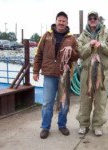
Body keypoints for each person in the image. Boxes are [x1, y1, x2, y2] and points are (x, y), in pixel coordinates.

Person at [33, 11, 79, 139]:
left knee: (64, 102)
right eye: (59, 20)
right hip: (48, 74)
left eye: (64, 21)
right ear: (56, 21)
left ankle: (62, 125)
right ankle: (45, 127)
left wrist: (72, 51)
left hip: (64, 74)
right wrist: (35, 71)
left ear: (67, 23)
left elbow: (76, 56)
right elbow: (38, 54)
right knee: (47, 102)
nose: (61, 23)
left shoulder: (72, 38)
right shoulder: (46, 35)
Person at [76, 11, 108, 136]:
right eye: (90, 18)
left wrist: (102, 45)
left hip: (102, 72)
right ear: (88, 20)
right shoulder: (82, 36)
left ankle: (97, 126)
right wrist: (89, 45)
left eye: (95, 18)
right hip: (86, 72)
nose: (93, 20)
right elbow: (80, 53)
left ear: (99, 20)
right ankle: (83, 125)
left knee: (100, 101)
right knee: (85, 100)